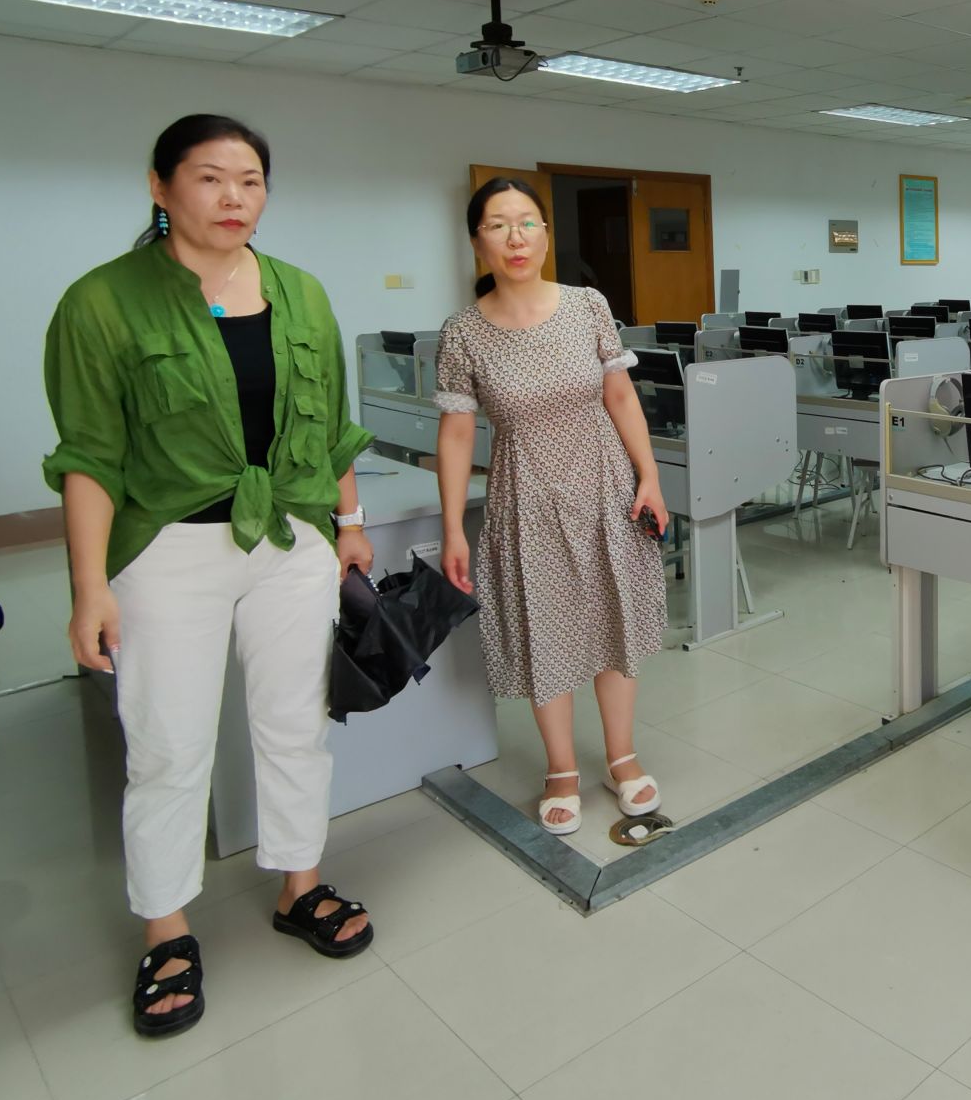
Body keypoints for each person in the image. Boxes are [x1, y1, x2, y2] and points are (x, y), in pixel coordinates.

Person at [45, 114, 378, 1041]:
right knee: (167, 743)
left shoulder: (300, 291)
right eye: (209, 177)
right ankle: (166, 929)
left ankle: (300, 886)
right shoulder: (102, 302)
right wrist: (89, 585)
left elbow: (333, 425)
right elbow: (88, 455)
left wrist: (348, 526)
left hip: (290, 538)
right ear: (160, 187)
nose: (234, 197)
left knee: (296, 724)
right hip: (167, 549)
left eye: (251, 180)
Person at [434, 178, 670, 837]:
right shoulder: (463, 333)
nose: (515, 237)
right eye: (498, 225)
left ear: (545, 233)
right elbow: (456, 435)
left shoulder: (587, 305)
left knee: (614, 617)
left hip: (604, 486)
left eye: (527, 222)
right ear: (477, 241)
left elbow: (620, 396)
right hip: (525, 497)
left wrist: (649, 476)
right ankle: (561, 768)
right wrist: (452, 526)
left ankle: (621, 757)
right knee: (546, 628)